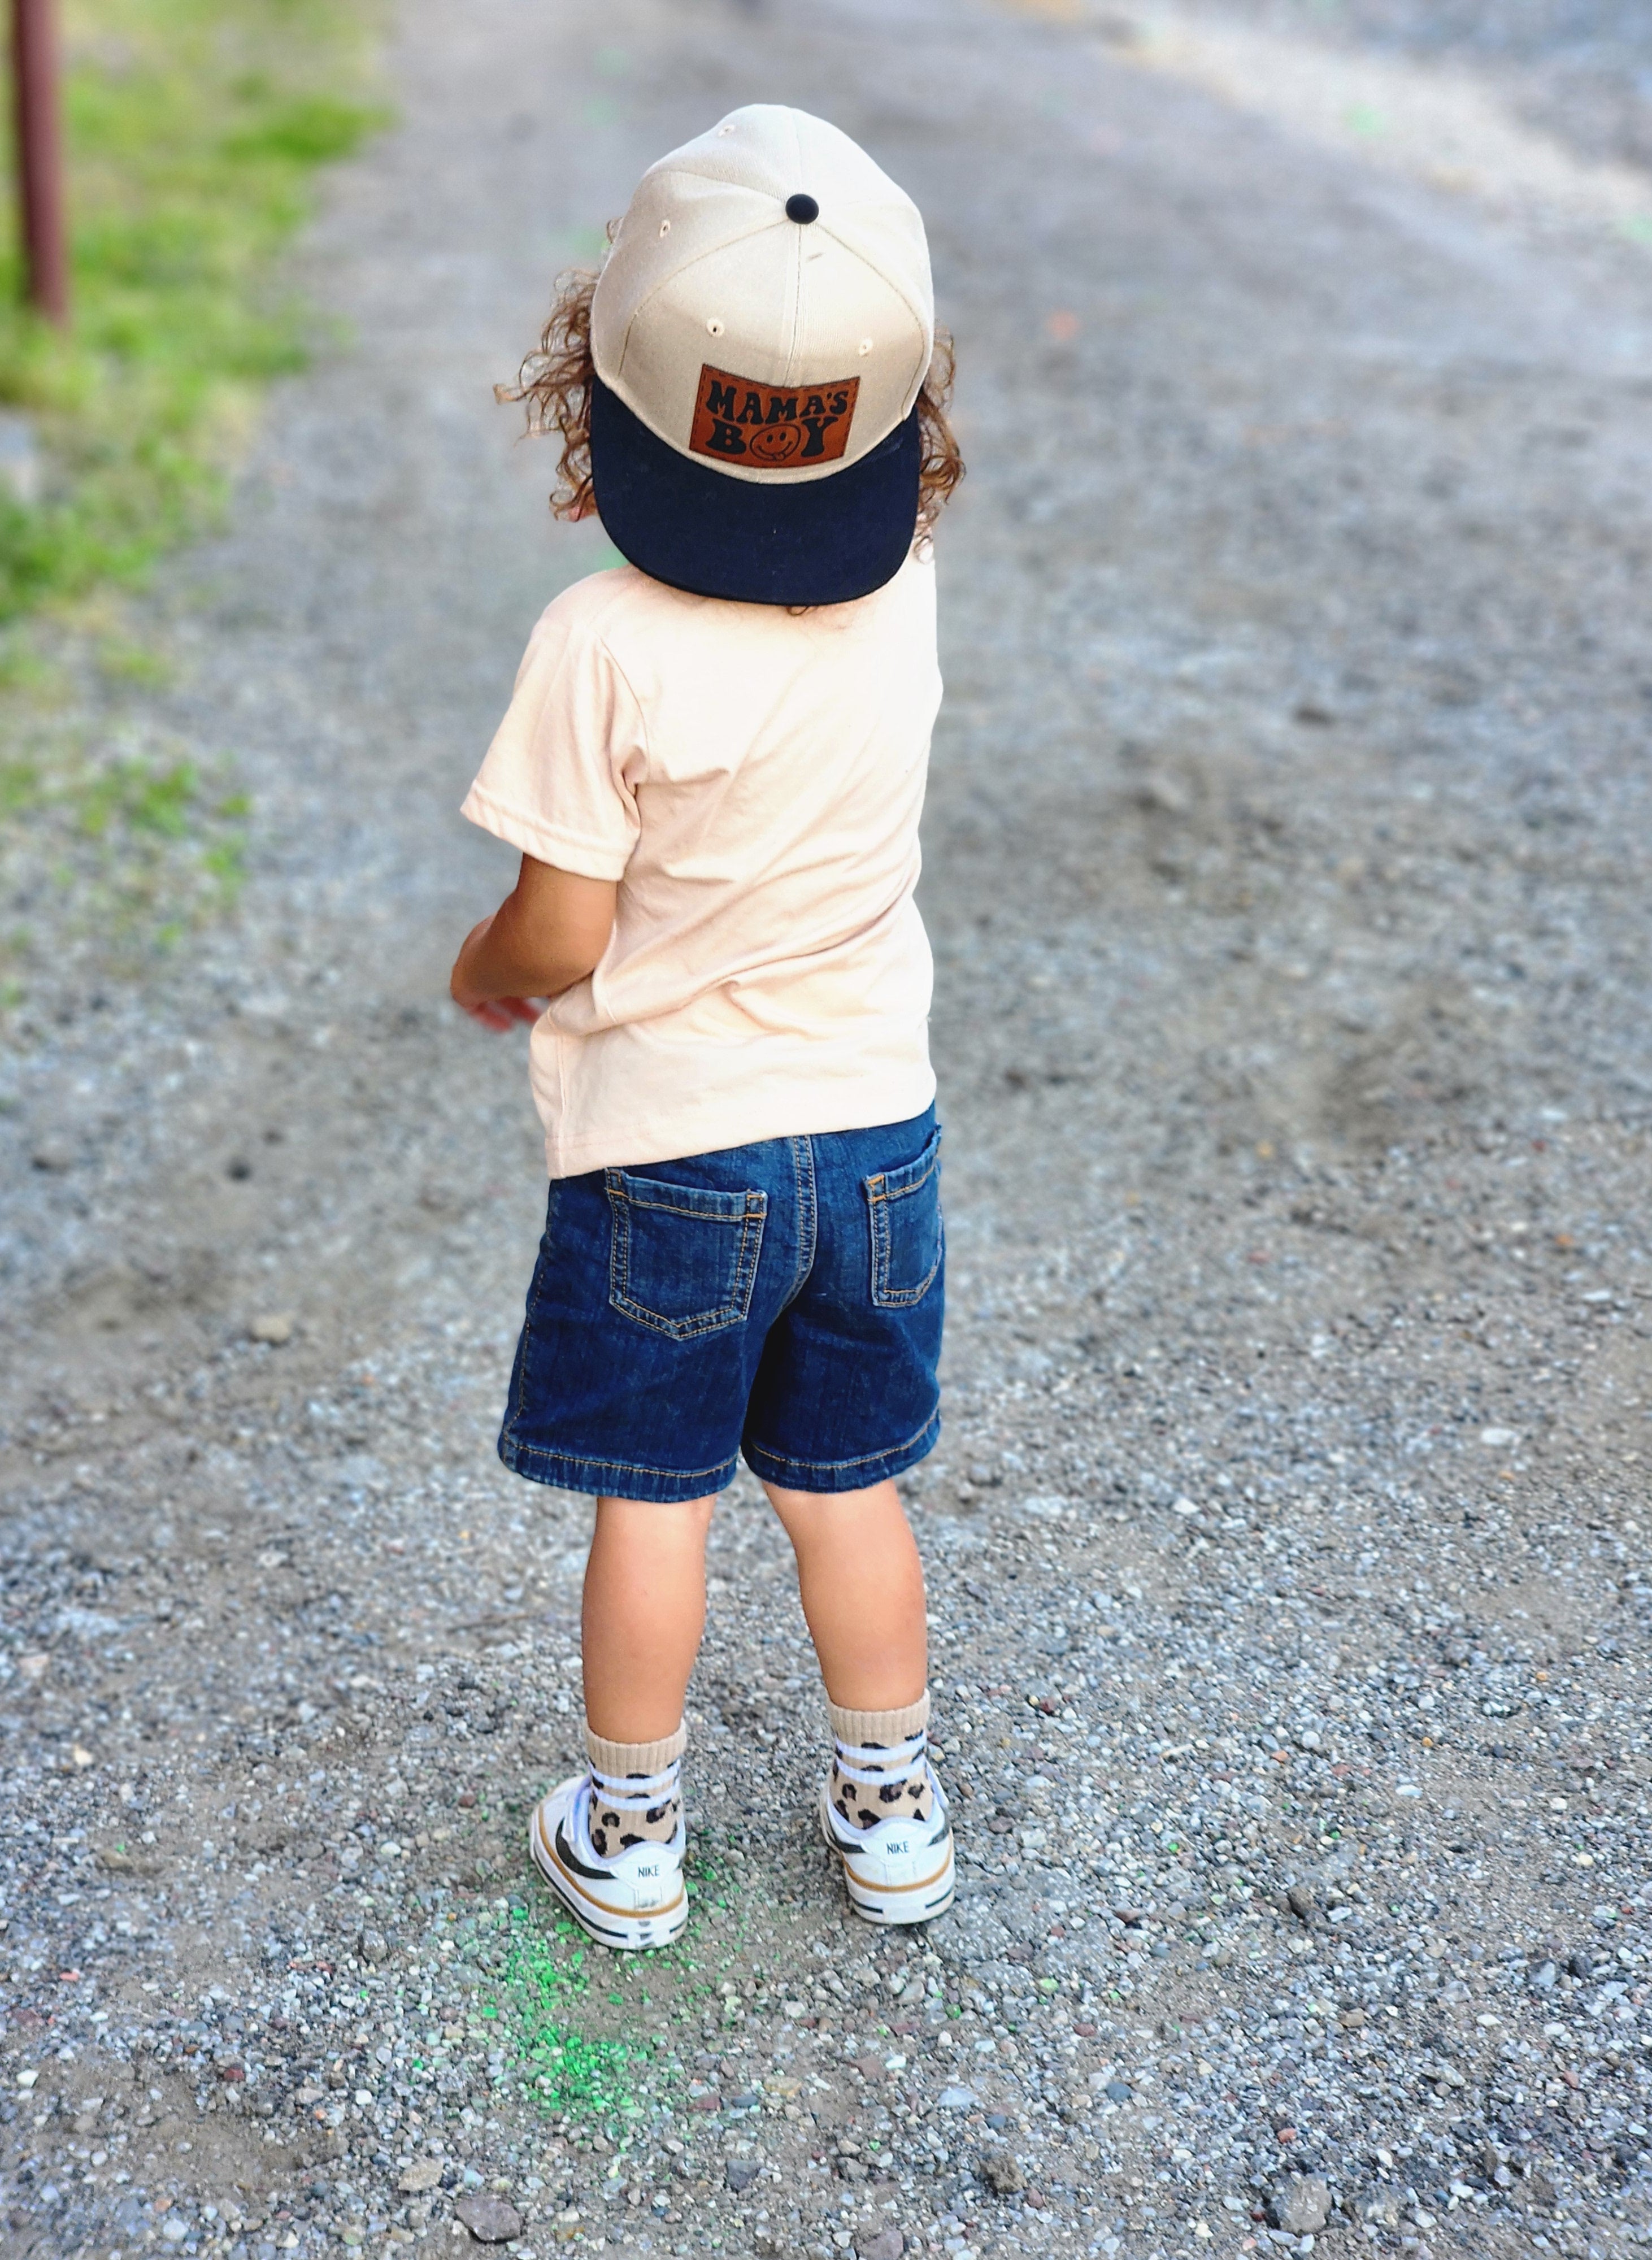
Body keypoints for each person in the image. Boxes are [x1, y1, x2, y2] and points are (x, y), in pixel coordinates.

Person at [449, 105, 964, 1950]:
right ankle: (893, 1808)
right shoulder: (904, 591)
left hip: (675, 1145)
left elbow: (566, 924)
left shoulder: (601, 642)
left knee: (656, 1503)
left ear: (600, 397)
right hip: (879, 1135)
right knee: (847, 1494)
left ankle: (634, 1832)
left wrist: (489, 967)